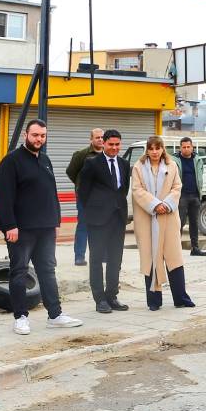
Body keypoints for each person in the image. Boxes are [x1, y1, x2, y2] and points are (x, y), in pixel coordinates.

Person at [0, 119, 83, 335]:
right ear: (26, 134)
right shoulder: (11, 161)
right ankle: (20, 317)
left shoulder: (45, 159)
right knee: (19, 272)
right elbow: (4, 196)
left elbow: (51, 193)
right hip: (21, 229)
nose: (39, 139)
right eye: (35, 135)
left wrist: (56, 221)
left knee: (47, 271)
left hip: (45, 227)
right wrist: (9, 225)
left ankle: (55, 315)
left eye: (43, 135)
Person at [132, 136, 195, 310]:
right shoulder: (138, 167)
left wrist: (165, 204)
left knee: (174, 257)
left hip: (168, 216)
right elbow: (137, 190)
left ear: (162, 149)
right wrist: (154, 204)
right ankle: (154, 300)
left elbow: (177, 187)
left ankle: (181, 298)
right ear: (147, 150)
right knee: (150, 258)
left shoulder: (172, 165)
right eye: (151, 148)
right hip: (147, 218)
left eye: (157, 148)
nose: (154, 152)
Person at [77, 129, 132, 314]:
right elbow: (82, 191)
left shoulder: (124, 164)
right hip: (98, 220)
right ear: (104, 144)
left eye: (117, 145)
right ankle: (99, 299)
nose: (114, 148)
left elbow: (123, 189)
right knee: (96, 259)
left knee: (115, 259)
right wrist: (93, 210)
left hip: (118, 218)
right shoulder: (92, 163)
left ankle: (112, 296)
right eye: (111, 144)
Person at [66, 128, 105, 266]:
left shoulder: (108, 154)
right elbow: (71, 172)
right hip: (85, 197)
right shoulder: (82, 154)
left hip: (102, 198)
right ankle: (79, 257)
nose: (100, 139)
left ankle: (102, 255)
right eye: (97, 137)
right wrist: (80, 186)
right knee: (84, 225)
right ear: (91, 139)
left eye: (102, 137)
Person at [172, 137, 206, 256]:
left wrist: (200, 191)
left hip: (195, 195)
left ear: (192, 147)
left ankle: (195, 248)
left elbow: (200, 175)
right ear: (180, 148)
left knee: (194, 222)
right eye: (184, 147)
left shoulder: (197, 159)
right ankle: (176, 249)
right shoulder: (175, 161)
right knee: (179, 223)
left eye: (188, 147)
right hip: (181, 196)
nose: (186, 149)